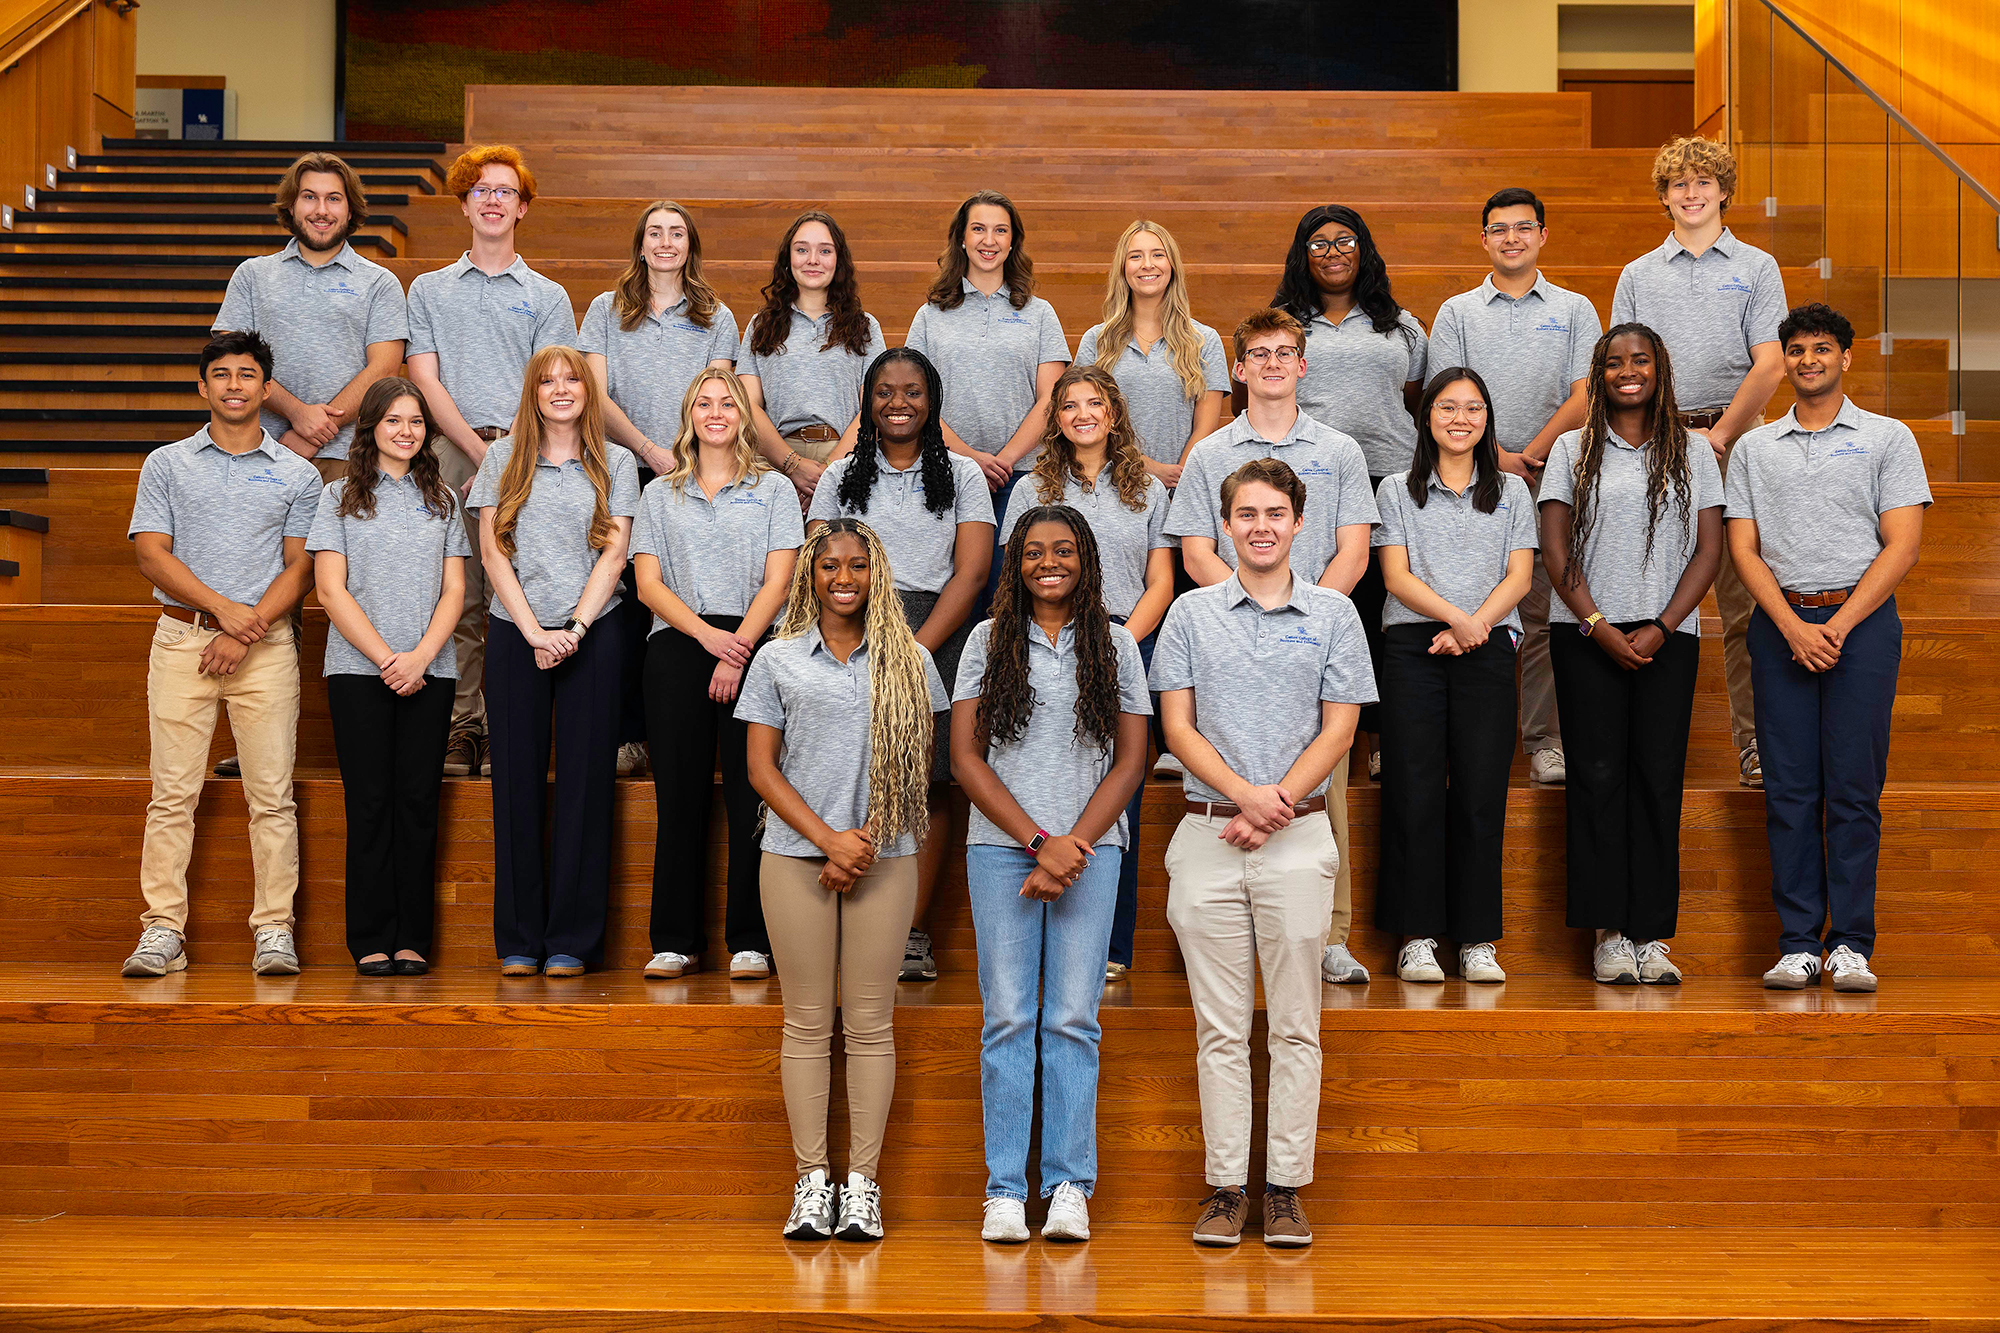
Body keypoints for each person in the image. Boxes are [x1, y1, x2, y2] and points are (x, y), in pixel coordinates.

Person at [1152, 457, 1375, 1249]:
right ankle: (1226, 1188)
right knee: (1218, 1027)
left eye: (1274, 513)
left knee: (1295, 1025)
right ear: (1226, 525)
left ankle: (1283, 1189)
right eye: (1246, 513)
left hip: (1300, 837)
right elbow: (1176, 728)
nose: (1260, 526)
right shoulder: (1190, 614)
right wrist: (1246, 798)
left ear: (1298, 523)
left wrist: (1272, 805)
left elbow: (1340, 728)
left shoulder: (1335, 614)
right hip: (1208, 834)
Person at [736, 519, 950, 1244]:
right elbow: (761, 767)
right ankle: (810, 1183)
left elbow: (920, 765)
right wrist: (828, 839)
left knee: (869, 1025)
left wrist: (862, 842)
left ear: (877, 572)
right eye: (829, 565)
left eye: (857, 564)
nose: (844, 577)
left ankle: (861, 1186)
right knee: (805, 1021)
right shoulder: (777, 660)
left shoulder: (912, 661)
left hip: (884, 860)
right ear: (810, 575)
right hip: (796, 858)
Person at [952, 504, 1151, 1244]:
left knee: (1072, 1018)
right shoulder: (984, 641)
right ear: (1015, 562)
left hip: (1092, 852)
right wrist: (1039, 841)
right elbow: (966, 760)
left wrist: (1071, 844)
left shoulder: (1119, 644)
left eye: (1064, 549)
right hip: (1002, 847)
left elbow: (1131, 761)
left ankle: (1069, 1183)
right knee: (1007, 1016)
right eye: (1033, 550)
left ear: (1086, 558)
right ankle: (1005, 1189)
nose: (1049, 561)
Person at [1166, 307, 1378, 986]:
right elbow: (1196, 549)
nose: (1273, 364)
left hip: (1314, 633)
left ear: (1303, 364)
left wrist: (1309, 612)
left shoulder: (1340, 450)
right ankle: (1213, 918)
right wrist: (1249, 600)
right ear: (1238, 368)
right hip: (1228, 628)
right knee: (1226, 762)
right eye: (1259, 354)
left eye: (1285, 352)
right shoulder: (1209, 454)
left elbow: (1352, 550)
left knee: (1328, 786)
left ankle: (1329, 934)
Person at [1728, 304, 1930, 994]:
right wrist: (1791, 625)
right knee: (1788, 789)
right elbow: (1742, 548)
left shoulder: (1887, 437)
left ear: (1848, 357)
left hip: (1862, 627)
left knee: (1852, 787)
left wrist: (1838, 626)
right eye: (1796, 349)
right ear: (1781, 361)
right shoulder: (1757, 447)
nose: (1808, 359)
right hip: (1781, 622)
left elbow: (1902, 543)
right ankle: (1797, 944)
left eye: (1822, 348)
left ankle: (1849, 942)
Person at [121, 332, 322, 978]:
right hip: (182, 641)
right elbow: (152, 552)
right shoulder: (167, 464)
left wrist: (247, 625)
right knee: (171, 794)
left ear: (267, 390)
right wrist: (221, 612)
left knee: (271, 795)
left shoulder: (297, 473)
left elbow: (302, 566)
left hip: (264, 651)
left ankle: (273, 930)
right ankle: (161, 932)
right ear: (202, 387)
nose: (234, 385)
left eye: (247, 375)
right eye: (222, 375)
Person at [1539, 324, 1723, 986]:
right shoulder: (1571, 448)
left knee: (1657, 778)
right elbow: (1556, 550)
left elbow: (1709, 551)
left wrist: (1663, 627)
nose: (1627, 370)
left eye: (1639, 359)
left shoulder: (1694, 452)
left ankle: (1650, 933)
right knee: (1596, 776)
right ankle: (1607, 931)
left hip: (1667, 639)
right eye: (1613, 361)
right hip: (1586, 633)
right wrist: (1598, 625)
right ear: (1600, 372)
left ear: (1659, 369)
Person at [809, 348, 994, 982]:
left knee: (929, 784)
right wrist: (866, 639)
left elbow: (971, 574)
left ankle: (910, 933)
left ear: (932, 402)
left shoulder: (964, 474)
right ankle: (841, 926)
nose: (898, 402)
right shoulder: (839, 477)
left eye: (912, 391)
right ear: (867, 402)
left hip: (936, 632)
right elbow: (821, 568)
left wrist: (916, 650)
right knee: (851, 772)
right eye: (885, 391)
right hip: (852, 629)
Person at [1612, 135, 1788, 790]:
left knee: (1745, 605)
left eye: (1702, 182)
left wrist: (1719, 437)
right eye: (1678, 184)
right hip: (1658, 445)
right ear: (1664, 197)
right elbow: (1623, 368)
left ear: (1722, 192)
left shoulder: (1757, 266)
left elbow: (1770, 362)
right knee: (1651, 601)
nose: (1691, 194)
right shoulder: (1639, 274)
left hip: (1738, 444)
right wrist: (1675, 439)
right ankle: (1645, 753)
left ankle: (1757, 749)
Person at [406, 144, 578, 779]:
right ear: (463, 203)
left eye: (506, 190)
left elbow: (555, 383)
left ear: (523, 207)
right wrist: (482, 454)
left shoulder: (547, 295)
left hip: (529, 451)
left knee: (515, 589)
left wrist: (508, 455)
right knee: (458, 591)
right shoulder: (428, 289)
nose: (494, 199)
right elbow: (423, 377)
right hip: (447, 452)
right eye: (481, 189)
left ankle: (506, 724)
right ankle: (461, 725)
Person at [466, 345, 638, 978]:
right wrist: (537, 631)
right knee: (515, 782)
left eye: (573, 379)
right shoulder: (500, 459)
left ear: (588, 392)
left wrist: (576, 627)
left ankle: (572, 939)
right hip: (518, 631)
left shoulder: (614, 461)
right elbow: (491, 554)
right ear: (532, 392)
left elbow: (615, 556)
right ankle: (518, 937)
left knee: (586, 786)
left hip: (594, 631)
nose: (562, 389)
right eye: (549, 381)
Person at [999, 365, 1172, 984]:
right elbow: (1013, 576)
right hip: (1043, 640)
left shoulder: (1148, 488)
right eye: (1069, 404)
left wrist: (1117, 641)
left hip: (1125, 639)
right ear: (1057, 417)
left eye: (1093, 403)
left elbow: (1162, 581)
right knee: (1047, 777)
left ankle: (1110, 942)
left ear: (1114, 412)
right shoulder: (1030, 488)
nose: (1081, 414)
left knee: (1119, 790)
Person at [631, 367, 802, 981]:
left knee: (752, 797)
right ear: (689, 416)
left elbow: (779, 581)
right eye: (703, 403)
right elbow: (648, 584)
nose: (716, 412)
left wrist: (739, 649)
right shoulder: (658, 494)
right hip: (679, 645)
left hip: (758, 644)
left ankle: (751, 939)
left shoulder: (776, 492)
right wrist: (709, 641)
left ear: (743, 416)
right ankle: (675, 938)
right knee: (680, 797)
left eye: (728, 403)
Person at [1427, 187, 1600, 787]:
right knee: (1483, 603)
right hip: (1476, 477)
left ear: (1543, 235)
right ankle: (1482, 739)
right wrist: (1497, 456)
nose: (1512, 238)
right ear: (1484, 240)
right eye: (1498, 229)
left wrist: (1534, 454)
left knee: (1545, 612)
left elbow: (1585, 394)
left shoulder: (1575, 308)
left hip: (1555, 476)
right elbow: (1442, 393)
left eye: (1524, 227)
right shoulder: (1456, 312)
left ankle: (1545, 739)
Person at [1373, 368, 1536, 983]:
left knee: (1479, 792)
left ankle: (1476, 940)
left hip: (1489, 647)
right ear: (1428, 417)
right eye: (1447, 407)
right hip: (1415, 647)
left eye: (1472, 408)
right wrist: (1456, 620)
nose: (1459, 418)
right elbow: (1395, 577)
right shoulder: (1396, 489)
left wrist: (1475, 628)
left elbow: (1519, 578)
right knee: (1412, 791)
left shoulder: (1513, 492)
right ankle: (1417, 938)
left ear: (1487, 418)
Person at [307, 377, 468, 976]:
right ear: (370, 426)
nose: (407, 431)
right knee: (370, 803)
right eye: (394, 420)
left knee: (418, 802)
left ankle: (413, 938)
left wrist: (420, 657)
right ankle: (371, 937)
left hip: (431, 671)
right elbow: (329, 588)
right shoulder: (338, 496)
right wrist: (385, 659)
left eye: (417, 422)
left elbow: (456, 591)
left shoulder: (444, 499)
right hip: (357, 672)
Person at [579, 199, 739, 778]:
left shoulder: (715, 314)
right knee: (624, 608)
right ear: (640, 245)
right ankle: (628, 734)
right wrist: (650, 450)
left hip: (696, 475)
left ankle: (691, 730)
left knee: (687, 600)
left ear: (690, 245)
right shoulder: (605, 309)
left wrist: (686, 458)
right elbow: (593, 395)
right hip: (626, 471)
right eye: (655, 233)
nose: (666, 242)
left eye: (677, 233)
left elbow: (721, 393)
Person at [1270, 205, 1427, 766]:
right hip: (1307, 478)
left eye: (1344, 241)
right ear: (1301, 254)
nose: (1332, 253)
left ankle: (1382, 740)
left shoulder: (1402, 324)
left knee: (1383, 608)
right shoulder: (1284, 324)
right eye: (1318, 244)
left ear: (1364, 250)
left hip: (1388, 475)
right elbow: (1257, 399)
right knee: (1317, 604)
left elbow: (1413, 400)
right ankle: (1311, 737)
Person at [212, 152, 407, 485]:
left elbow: (384, 370)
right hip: (259, 452)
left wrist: (313, 433)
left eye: (333, 198)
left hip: (350, 459)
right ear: (291, 206)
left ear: (350, 209)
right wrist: (297, 414)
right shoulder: (252, 275)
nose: (321, 210)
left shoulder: (379, 282)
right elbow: (231, 362)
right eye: (309, 197)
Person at [905, 190, 1069, 565]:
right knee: (952, 589)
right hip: (947, 471)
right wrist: (970, 457)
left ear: (1013, 242)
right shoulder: (930, 315)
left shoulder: (1040, 314)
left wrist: (1004, 461)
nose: (989, 240)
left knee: (1006, 592)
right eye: (978, 229)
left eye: (1000, 231)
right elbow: (916, 400)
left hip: (1022, 478)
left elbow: (1052, 400)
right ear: (961, 238)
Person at [738, 210, 887, 508]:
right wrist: (791, 465)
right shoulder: (761, 325)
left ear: (839, 260)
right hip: (774, 461)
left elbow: (874, 406)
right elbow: (747, 406)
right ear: (787, 259)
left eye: (825, 251)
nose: (813, 260)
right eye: (802, 249)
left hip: (846, 458)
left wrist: (831, 471)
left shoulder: (865, 326)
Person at [1074, 219, 1230, 488]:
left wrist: (1177, 478)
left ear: (1172, 266)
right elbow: (1087, 422)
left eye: (1158, 254)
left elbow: (1205, 429)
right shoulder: (1096, 341)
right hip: (1110, 485)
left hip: (1180, 486)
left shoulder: (1204, 341)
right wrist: (1151, 468)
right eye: (1136, 256)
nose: (1148, 264)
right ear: (1123, 268)